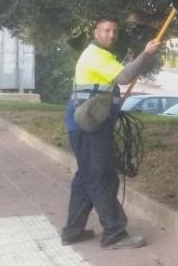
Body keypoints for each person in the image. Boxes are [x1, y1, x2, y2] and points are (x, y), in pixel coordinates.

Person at [62, 16, 162, 249]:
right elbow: (125, 77)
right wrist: (146, 53)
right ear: (95, 32)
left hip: (87, 126)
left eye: (115, 31)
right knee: (102, 177)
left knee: (86, 178)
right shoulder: (95, 56)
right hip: (88, 129)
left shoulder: (102, 55)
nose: (111, 35)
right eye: (106, 30)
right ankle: (114, 234)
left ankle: (73, 231)